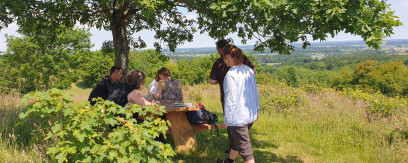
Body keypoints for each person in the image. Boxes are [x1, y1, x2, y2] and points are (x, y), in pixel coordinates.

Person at [218, 45, 260, 163]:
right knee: (237, 142)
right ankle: (229, 161)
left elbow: (230, 100)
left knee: (246, 152)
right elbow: (255, 92)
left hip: (239, 118)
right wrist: (257, 110)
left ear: (227, 57)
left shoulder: (231, 74)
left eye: (224, 59)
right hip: (250, 115)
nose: (224, 62)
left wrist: (227, 120)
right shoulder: (248, 70)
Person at [209, 39, 256, 114]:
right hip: (245, 95)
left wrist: (221, 79)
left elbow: (212, 81)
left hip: (227, 97)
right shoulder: (244, 59)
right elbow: (254, 71)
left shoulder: (218, 63)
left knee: (232, 122)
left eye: (217, 50)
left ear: (221, 50)